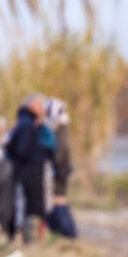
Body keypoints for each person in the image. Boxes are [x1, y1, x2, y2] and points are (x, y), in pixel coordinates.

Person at [6, 94, 50, 243]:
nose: (43, 109)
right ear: (32, 105)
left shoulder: (25, 122)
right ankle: (30, 240)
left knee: (28, 206)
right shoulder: (27, 124)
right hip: (29, 173)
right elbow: (21, 150)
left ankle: (29, 238)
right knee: (32, 206)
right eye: (40, 105)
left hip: (26, 171)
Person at [43, 97, 77, 238]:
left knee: (58, 202)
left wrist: (57, 171)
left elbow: (60, 154)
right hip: (58, 172)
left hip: (57, 174)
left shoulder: (58, 130)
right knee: (56, 202)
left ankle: (68, 235)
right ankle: (64, 235)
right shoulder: (58, 129)